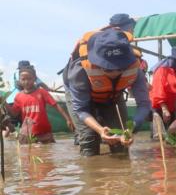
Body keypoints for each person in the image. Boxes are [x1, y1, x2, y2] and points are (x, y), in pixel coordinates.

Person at [64, 28, 151, 156]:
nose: (115, 72)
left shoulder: (135, 70)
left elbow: (144, 105)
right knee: (89, 139)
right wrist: (100, 130)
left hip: (112, 96)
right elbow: (81, 109)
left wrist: (131, 128)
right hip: (82, 101)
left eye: (121, 68)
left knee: (121, 141)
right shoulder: (79, 71)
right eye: (108, 69)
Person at [8, 66, 74, 144]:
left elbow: (56, 105)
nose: (26, 82)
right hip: (28, 133)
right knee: (27, 153)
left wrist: (68, 119)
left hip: (44, 132)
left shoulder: (42, 92)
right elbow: (14, 113)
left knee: (47, 152)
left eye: (29, 79)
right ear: (19, 80)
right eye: (23, 79)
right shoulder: (18, 96)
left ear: (35, 79)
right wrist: (4, 104)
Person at [150, 46, 176, 124]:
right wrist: (165, 110)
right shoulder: (162, 71)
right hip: (161, 109)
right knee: (159, 135)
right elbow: (158, 91)